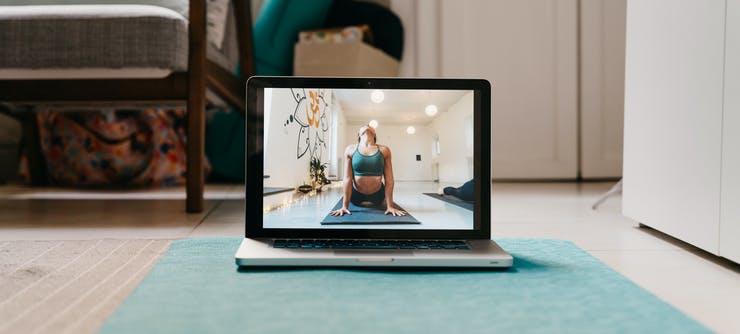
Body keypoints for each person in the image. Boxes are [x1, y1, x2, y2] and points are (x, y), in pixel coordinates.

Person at [329, 124, 406, 217]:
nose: (367, 126)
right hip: (356, 195)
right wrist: (344, 206)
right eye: (364, 126)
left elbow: (389, 179)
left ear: (374, 134)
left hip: (378, 195)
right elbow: (347, 179)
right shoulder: (350, 149)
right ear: (359, 134)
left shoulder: (384, 150)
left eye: (370, 126)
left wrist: (390, 206)